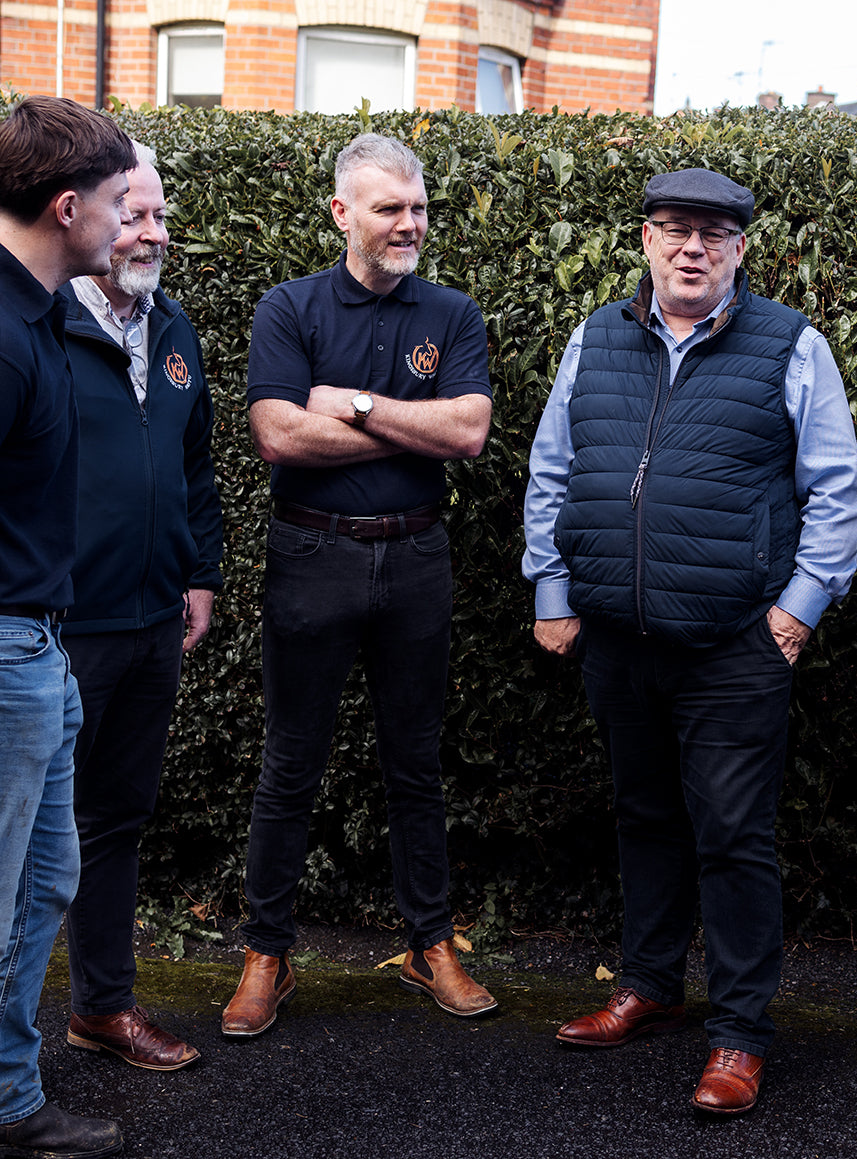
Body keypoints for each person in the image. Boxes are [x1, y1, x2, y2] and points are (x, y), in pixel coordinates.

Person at [522, 168, 857, 1115]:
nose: (692, 248)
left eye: (714, 234)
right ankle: (649, 985)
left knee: (733, 834)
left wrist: (796, 610)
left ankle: (741, 1034)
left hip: (732, 643)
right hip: (618, 636)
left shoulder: (790, 344)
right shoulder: (594, 336)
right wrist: (553, 588)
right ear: (643, 239)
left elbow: (837, 490)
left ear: (740, 249)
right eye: (674, 229)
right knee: (643, 816)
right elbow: (553, 466)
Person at [223, 132, 495, 1037]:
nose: (411, 223)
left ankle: (430, 943)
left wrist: (360, 405)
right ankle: (268, 952)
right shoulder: (288, 308)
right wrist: (413, 427)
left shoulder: (451, 313)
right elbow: (279, 437)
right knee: (290, 763)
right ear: (344, 213)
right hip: (314, 554)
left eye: (419, 207)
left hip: (416, 557)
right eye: (391, 208)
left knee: (416, 763)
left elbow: (468, 435)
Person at [56, 142, 223, 1073]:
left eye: (159, 215)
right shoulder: (37, 324)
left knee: (115, 819)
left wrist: (199, 574)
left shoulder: (175, 330)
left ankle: (101, 1008)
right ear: (81, 214)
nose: (152, 233)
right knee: (26, 835)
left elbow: (195, 467)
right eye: (134, 214)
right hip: (56, 628)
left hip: (153, 621)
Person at [0, 94, 135, 1159]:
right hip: (3, 653)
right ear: (65, 205)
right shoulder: (1, 332)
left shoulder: (43, 313)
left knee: (45, 881)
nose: (129, 217)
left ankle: (8, 1094)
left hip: (40, 647)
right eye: (116, 199)